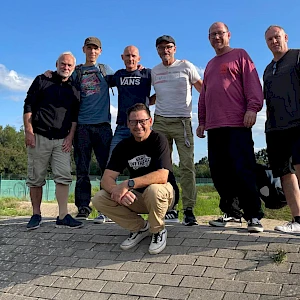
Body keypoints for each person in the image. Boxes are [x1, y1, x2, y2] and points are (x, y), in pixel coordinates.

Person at [197, 22, 264, 233]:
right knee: (219, 172)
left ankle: (253, 215)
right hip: (214, 127)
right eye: (212, 34)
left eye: (220, 33)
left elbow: (253, 84)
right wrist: (201, 121)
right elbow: (204, 95)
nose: (216, 37)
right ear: (208, 38)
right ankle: (232, 213)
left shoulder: (240, 55)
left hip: (237, 123)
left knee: (243, 169)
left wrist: (253, 108)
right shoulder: (209, 65)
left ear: (228, 35)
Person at [92, 103, 174, 254]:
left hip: (163, 196)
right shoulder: (123, 146)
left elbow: (163, 176)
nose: (138, 126)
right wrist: (118, 192)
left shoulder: (159, 139)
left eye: (142, 121)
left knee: (153, 189)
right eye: (134, 122)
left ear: (150, 121)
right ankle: (140, 228)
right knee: (99, 198)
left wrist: (128, 184)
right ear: (128, 124)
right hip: (138, 197)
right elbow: (106, 179)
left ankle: (158, 230)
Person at [23, 52, 82, 230]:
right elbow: (28, 105)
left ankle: (63, 215)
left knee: (63, 176)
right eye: (63, 64)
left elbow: (74, 116)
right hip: (39, 136)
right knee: (36, 177)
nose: (66, 67)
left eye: (69, 66)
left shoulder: (75, 88)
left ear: (73, 68)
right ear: (56, 64)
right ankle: (36, 214)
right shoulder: (42, 79)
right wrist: (28, 131)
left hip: (62, 140)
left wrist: (70, 137)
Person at [151, 35, 203, 226]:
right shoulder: (154, 72)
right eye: (161, 47)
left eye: (169, 47)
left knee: (187, 165)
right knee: (161, 166)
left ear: (175, 48)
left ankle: (189, 209)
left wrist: (206, 117)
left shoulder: (186, 66)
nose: (165, 50)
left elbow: (202, 90)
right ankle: (168, 206)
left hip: (182, 122)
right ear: (157, 50)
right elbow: (157, 95)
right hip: (160, 122)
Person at [263, 25, 300, 233]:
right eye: (269, 40)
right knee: (286, 174)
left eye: (276, 37)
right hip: (276, 129)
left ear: (285, 36)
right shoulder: (268, 69)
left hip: (298, 124)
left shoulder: (297, 57)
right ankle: (298, 220)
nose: (273, 42)